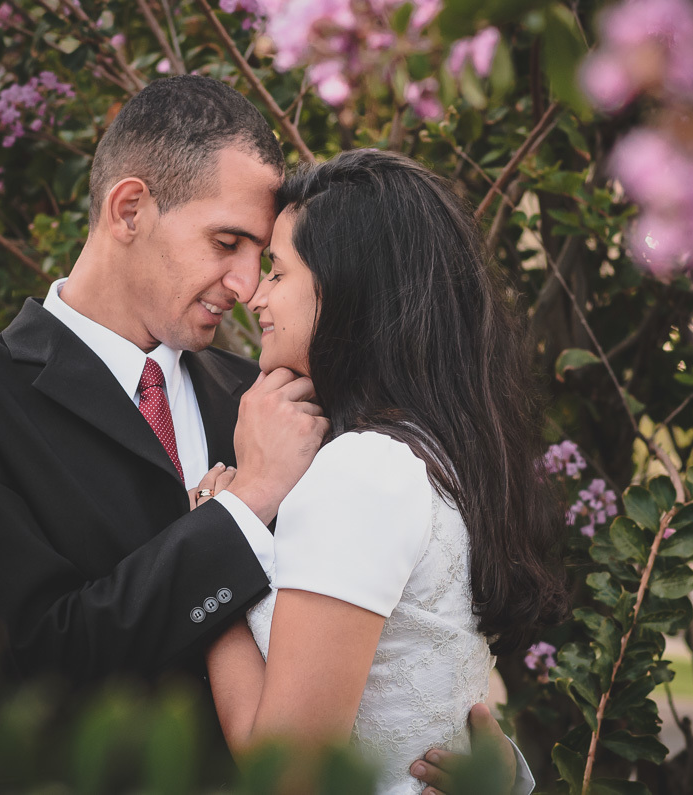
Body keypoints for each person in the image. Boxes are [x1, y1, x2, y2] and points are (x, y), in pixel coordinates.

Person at [0, 75, 537, 793]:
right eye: (228, 241)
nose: (249, 284)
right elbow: (36, 654)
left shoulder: (275, 392)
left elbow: (382, 627)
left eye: (264, 255)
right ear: (129, 208)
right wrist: (243, 504)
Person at [203, 149, 568, 794]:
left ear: (348, 293)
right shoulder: (434, 450)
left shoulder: (363, 470)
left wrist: (213, 558)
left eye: (278, 273)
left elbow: (285, 777)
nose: (255, 297)